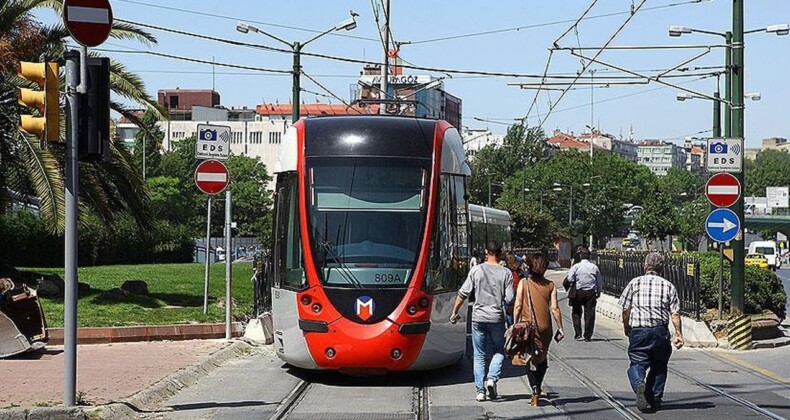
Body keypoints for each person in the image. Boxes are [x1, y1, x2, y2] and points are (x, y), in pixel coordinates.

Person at [618, 252, 684, 413]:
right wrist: (678, 334)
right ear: (662, 268)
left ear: (645, 266)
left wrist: (626, 327)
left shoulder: (635, 283)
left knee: (637, 363)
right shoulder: (668, 285)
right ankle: (655, 399)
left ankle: (639, 383)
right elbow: (675, 314)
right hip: (660, 332)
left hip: (639, 331)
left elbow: (625, 309)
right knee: (660, 366)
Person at [450, 241, 514, 402]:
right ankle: (492, 379)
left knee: (479, 355)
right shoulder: (506, 273)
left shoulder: (476, 270)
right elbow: (509, 298)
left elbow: (463, 293)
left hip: (478, 318)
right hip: (496, 318)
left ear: (486, 252)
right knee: (499, 350)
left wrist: (454, 312)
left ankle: (480, 391)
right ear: (500, 254)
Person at [512, 253, 564, 407]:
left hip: (528, 327)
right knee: (542, 356)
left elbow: (518, 305)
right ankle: (539, 385)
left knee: (529, 357)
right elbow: (554, 308)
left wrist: (515, 324)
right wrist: (560, 327)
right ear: (545, 268)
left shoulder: (524, 283)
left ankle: (535, 389)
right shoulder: (550, 285)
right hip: (545, 327)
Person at [565, 246, 602, 341]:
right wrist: (598, 292)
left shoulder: (576, 267)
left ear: (580, 256)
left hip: (578, 292)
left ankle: (578, 333)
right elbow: (599, 282)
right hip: (590, 293)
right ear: (589, 256)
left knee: (576, 312)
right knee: (590, 314)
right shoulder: (594, 267)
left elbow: (569, 278)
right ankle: (588, 335)